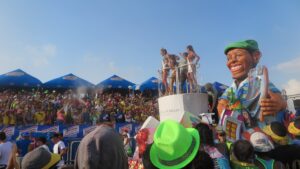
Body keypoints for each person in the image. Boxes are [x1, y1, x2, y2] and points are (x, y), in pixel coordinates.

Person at [217, 40, 287, 130]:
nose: (232, 61)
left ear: (255, 56)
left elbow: (277, 97)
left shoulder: (259, 81)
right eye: (228, 58)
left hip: (262, 135)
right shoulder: (232, 88)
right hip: (240, 137)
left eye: (238, 55)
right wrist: (222, 107)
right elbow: (222, 103)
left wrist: (280, 103)